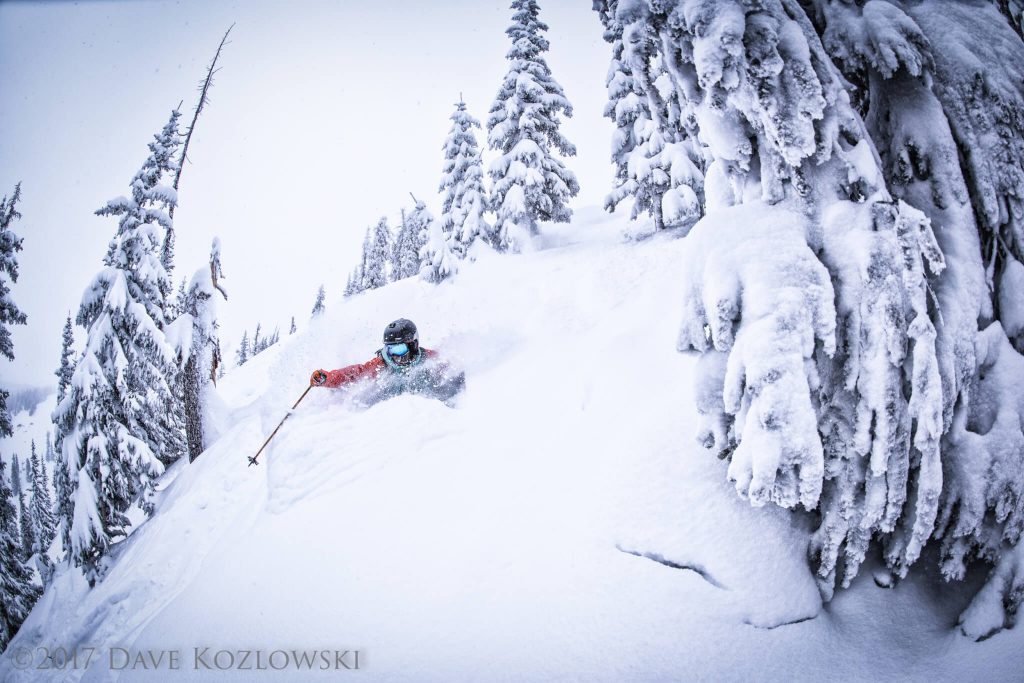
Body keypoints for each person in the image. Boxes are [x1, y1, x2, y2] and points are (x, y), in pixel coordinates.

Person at [309, 318, 465, 405]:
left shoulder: (429, 359)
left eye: (399, 349)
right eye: (390, 350)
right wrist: (328, 378)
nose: (395, 356)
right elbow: (355, 374)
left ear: (413, 344)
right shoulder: (382, 364)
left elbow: (453, 374)